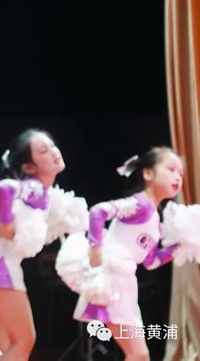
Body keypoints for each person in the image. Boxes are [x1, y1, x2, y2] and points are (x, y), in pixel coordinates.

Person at [71, 147, 183, 361]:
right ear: (148, 173)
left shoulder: (155, 219)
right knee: (138, 354)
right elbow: (98, 212)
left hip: (126, 284)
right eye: (171, 169)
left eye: (180, 173)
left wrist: (180, 246)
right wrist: (96, 253)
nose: (177, 176)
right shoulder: (140, 204)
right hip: (112, 280)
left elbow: (151, 261)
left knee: (139, 355)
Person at [0, 129, 66, 360]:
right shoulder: (35, 188)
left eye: (52, 146)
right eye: (43, 150)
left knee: (3, 346)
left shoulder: (42, 191)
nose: (53, 152)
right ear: (29, 167)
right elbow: (5, 188)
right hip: (2, 269)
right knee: (23, 341)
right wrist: (5, 225)